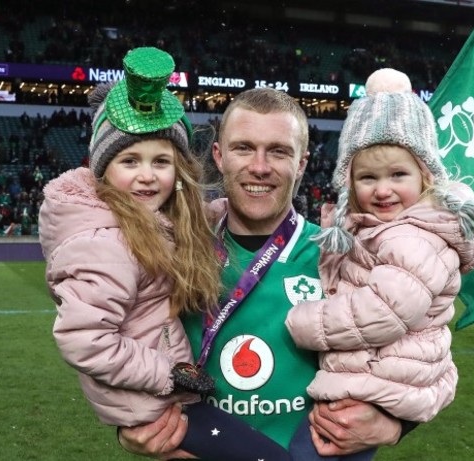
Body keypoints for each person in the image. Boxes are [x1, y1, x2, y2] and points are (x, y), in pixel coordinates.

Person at [119, 86, 418, 459]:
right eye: (244, 148)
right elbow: (109, 342)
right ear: (220, 155)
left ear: (302, 164)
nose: (260, 167)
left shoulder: (344, 255)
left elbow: (422, 353)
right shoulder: (174, 251)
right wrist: (128, 425)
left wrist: (395, 424)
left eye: (278, 151)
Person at [38, 47, 291, 461]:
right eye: (130, 160)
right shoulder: (108, 242)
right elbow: (82, 337)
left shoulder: (150, 222)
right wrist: (172, 376)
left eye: (161, 161)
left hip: (158, 400)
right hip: (153, 405)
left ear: (179, 172)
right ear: (103, 170)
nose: (146, 175)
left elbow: (188, 225)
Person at [285, 68, 474, 460]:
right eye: (367, 177)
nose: (382, 189)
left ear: (425, 177)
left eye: (398, 174)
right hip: (377, 380)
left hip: (373, 388)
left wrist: (301, 322)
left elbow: (383, 312)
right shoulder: (379, 228)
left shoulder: (411, 235)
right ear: (349, 182)